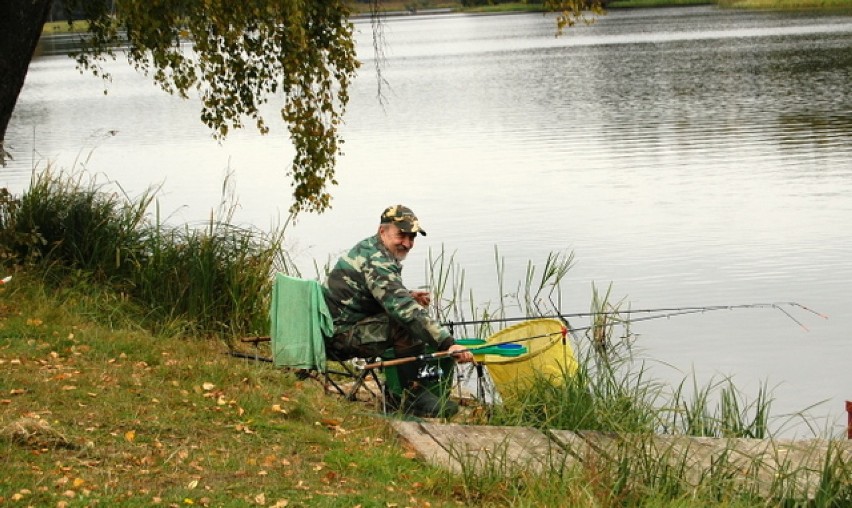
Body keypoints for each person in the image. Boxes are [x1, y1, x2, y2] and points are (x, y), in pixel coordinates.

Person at [322, 204, 473, 418]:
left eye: (412, 237)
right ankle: (411, 396)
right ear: (382, 231)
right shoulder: (377, 261)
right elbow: (404, 310)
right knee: (406, 323)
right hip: (338, 338)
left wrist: (408, 294)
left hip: (344, 327)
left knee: (405, 316)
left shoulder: (371, 249)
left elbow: (372, 294)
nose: (408, 243)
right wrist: (448, 343)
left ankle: (398, 393)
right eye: (402, 235)